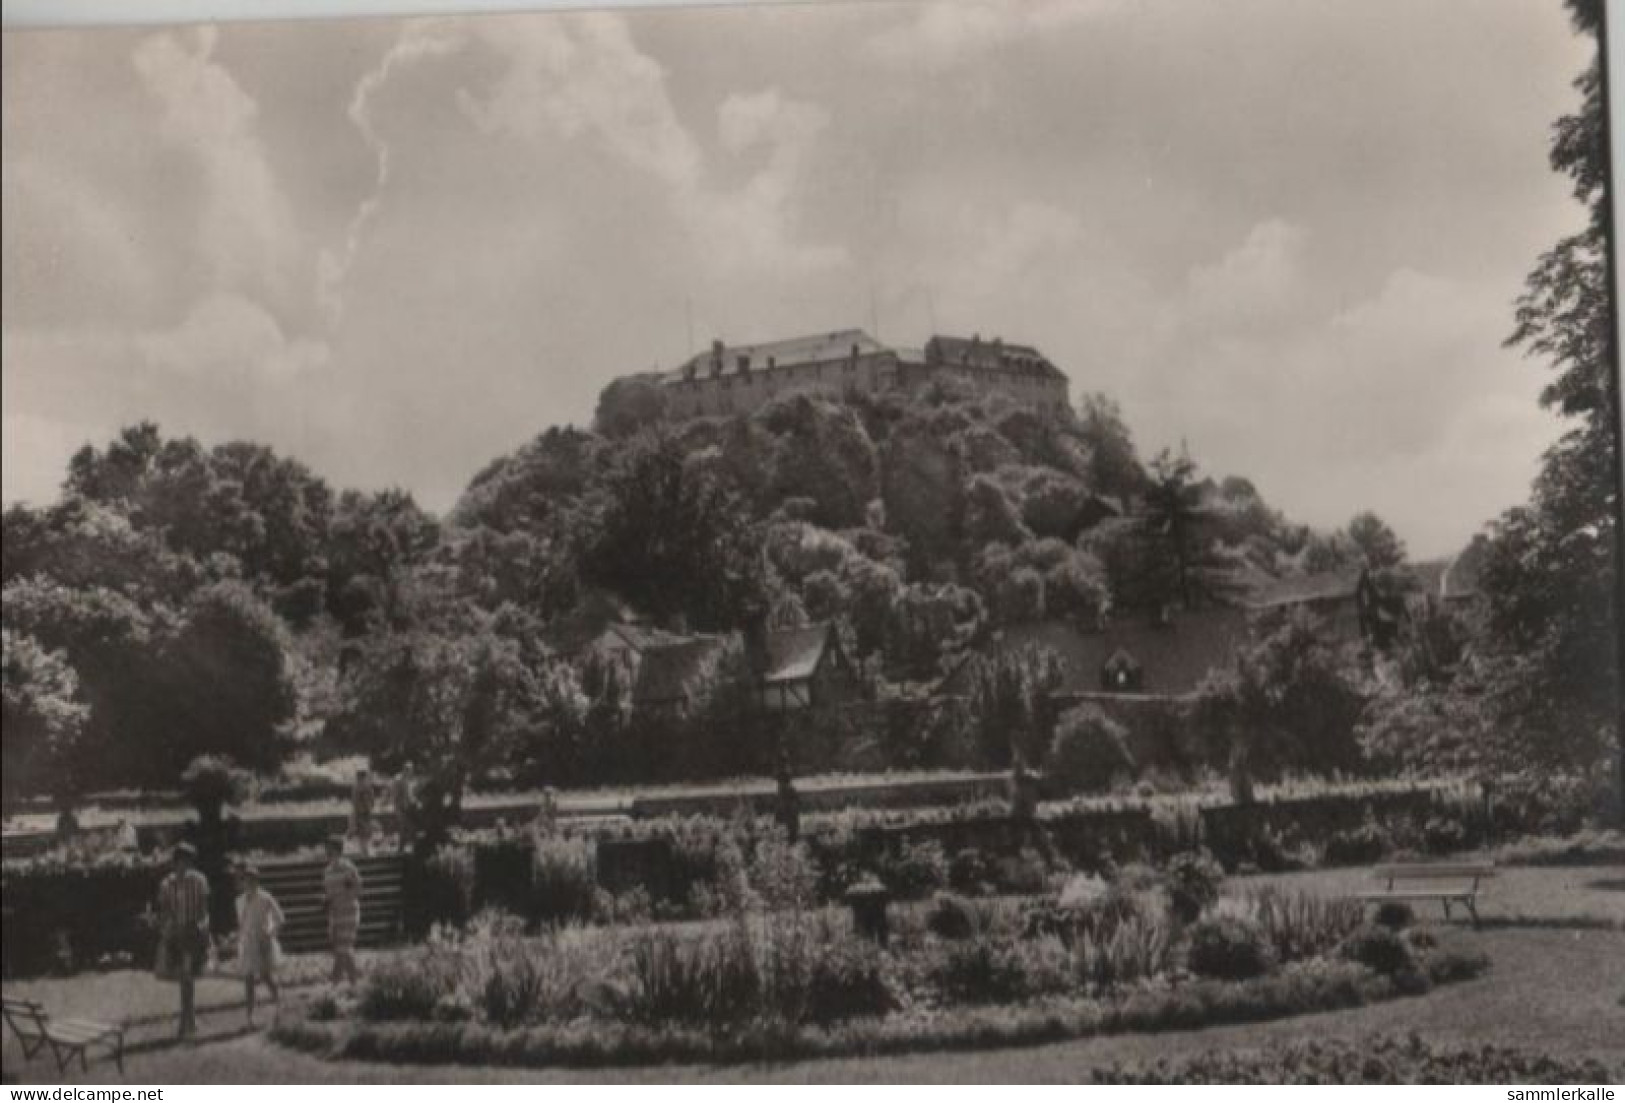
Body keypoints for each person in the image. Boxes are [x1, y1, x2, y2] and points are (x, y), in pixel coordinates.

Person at [154, 842, 212, 1039]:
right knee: (184, 979)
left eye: (189, 861)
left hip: (192, 932)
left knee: (187, 977)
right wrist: (166, 932)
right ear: (176, 862)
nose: (186, 866)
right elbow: (164, 912)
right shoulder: (166, 884)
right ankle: (189, 1020)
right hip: (175, 934)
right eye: (183, 861)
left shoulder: (199, 881)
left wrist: (203, 928)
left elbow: (204, 911)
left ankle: (186, 1022)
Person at [234, 865, 284, 1026]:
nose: (249, 884)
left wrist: (269, 932)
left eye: (252, 881)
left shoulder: (266, 898)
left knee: (266, 977)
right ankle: (250, 1017)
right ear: (242, 883)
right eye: (246, 881)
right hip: (248, 943)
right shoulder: (239, 901)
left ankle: (279, 1008)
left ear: (257, 881)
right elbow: (242, 924)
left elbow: (280, 918)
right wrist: (238, 939)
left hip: (263, 942)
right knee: (248, 980)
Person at [321, 835, 362, 985]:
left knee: (342, 949)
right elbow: (329, 892)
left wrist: (345, 895)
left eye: (330, 849)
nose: (327, 852)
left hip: (349, 912)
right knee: (343, 948)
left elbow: (358, 888)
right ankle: (354, 984)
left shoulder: (348, 867)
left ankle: (334, 984)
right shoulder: (327, 871)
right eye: (327, 849)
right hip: (335, 913)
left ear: (338, 850)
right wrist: (326, 901)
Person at [349, 768, 377, 855]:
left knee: (362, 832)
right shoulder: (366, 786)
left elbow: (354, 801)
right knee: (365, 832)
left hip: (360, 812)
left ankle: (364, 850)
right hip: (364, 812)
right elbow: (372, 801)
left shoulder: (356, 787)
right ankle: (364, 850)